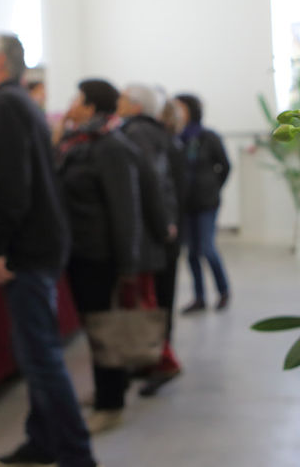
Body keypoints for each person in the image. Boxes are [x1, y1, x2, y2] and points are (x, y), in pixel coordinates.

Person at [0, 33, 98, 467]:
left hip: (27, 247)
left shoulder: (5, 106)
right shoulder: (18, 103)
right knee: (32, 349)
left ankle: (76, 452)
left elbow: (11, 184)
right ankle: (43, 439)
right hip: (40, 241)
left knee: (40, 354)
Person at [57, 79, 161, 434]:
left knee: (107, 328)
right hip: (83, 252)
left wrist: (128, 264)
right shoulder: (80, 141)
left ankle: (111, 403)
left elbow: (125, 208)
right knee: (96, 327)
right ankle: (106, 390)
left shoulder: (109, 146)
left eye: (76, 98)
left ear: (89, 107)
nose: (70, 103)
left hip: (102, 256)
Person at [117, 84, 185, 396]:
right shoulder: (154, 132)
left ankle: (162, 361)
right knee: (157, 298)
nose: (117, 102)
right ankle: (153, 358)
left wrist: (160, 226)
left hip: (150, 235)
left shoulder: (137, 134)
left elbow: (151, 184)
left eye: (122, 97)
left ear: (134, 105)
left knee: (149, 300)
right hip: (161, 232)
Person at [174, 93, 232, 313]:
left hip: (207, 202)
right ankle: (199, 297)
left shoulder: (209, 137)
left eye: (181, 107)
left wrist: (213, 187)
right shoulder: (178, 138)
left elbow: (225, 166)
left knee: (207, 248)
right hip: (186, 204)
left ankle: (223, 291)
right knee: (191, 253)